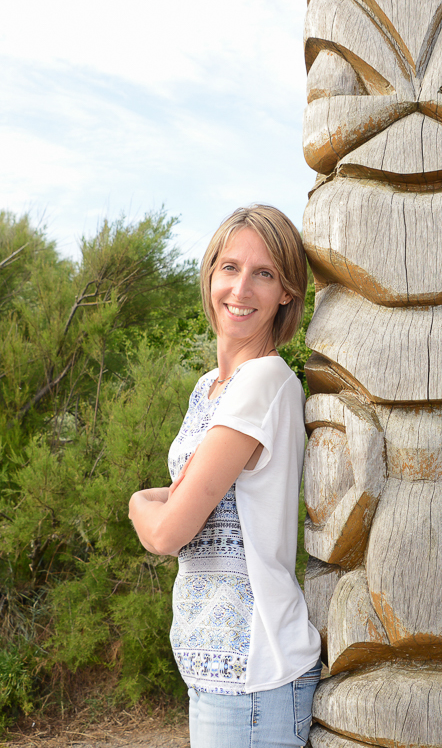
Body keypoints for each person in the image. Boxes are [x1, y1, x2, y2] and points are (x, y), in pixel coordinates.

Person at [129, 205, 322, 748]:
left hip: (255, 674)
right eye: (230, 267)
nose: (242, 288)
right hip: (213, 667)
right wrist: (168, 501)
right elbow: (186, 499)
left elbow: (169, 531)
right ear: (210, 274)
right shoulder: (210, 386)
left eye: (265, 274)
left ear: (286, 292)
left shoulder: (263, 382)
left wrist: (138, 502)